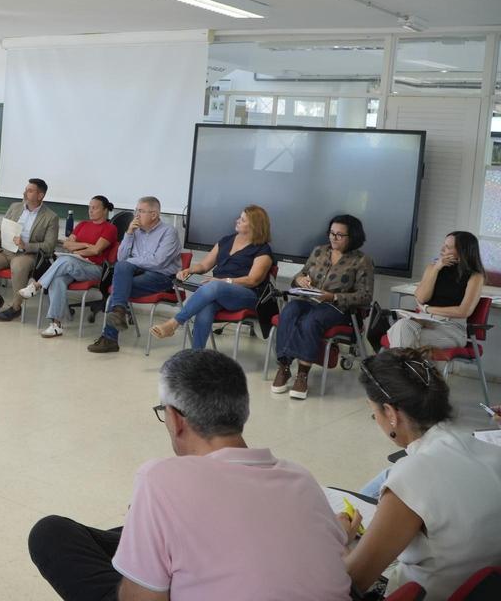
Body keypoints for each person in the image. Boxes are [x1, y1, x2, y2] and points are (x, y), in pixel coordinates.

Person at [28, 349, 350, 601]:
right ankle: (145, 536)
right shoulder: (303, 479)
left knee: (49, 533)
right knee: (138, 529)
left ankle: (146, 540)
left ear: (175, 418)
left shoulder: (160, 479)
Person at [341, 349, 501, 599]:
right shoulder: (491, 453)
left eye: (374, 413)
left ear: (391, 414)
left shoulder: (411, 477)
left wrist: (341, 542)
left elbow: (350, 583)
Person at [272, 215, 375, 400]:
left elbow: (365, 296)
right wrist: (300, 279)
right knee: (289, 311)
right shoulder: (319, 251)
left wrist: (334, 296)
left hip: (338, 308)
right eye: (331, 233)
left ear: (352, 237)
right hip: (309, 299)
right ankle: (284, 367)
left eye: (339, 235)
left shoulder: (361, 260)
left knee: (312, 320)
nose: (333, 238)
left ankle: (302, 374)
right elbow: (300, 274)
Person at [150, 205, 273, 350]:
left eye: (243, 220)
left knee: (214, 286)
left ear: (254, 225)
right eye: (239, 217)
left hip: (246, 295)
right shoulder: (226, 241)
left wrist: (225, 282)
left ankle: (174, 323)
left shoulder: (263, 250)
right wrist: (188, 270)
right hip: (217, 291)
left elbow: (253, 280)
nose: (237, 220)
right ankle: (197, 355)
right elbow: (204, 265)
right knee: (205, 307)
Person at [90, 196, 182, 353]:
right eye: (136, 210)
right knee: (121, 271)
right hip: (138, 273)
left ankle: (110, 337)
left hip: (162, 277)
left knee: (117, 293)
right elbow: (121, 258)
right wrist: (129, 233)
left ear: (154, 214)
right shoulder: (135, 231)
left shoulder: (169, 232)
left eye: (141, 211)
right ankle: (119, 312)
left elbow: (157, 262)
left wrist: (132, 262)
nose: (136, 215)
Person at [18, 195, 118, 339]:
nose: (90, 210)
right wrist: (84, 245)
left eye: (95, 208)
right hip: (73, 265)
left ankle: (37, 285)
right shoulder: (83, 224)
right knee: (57, 279)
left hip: (95, 269)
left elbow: (96, 250)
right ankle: (56, 325)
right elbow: (66, 244)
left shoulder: (110, 228)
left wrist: (77, 251)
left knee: (66, 260)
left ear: (105, 210)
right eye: (89, 207)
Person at [0, 178, 59, 322]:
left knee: (18, 266)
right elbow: (0, 230)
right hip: (6, 250)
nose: (25, 193)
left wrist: (26, 245)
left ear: (40, 196)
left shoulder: (51, 217)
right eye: (26, 189)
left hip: (27, 254)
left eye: (30, 191)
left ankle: (15, 307)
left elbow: (49, 246)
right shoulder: (15, 207)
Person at [384, 231, 484, 351]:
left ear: (462, 252)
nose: (442, 249)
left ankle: (396, 368)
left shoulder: (475, 277)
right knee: (401, 326)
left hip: (451, 328)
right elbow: (421, 298)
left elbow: (463, 311)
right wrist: (436, 268)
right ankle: (410, 369)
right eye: (443, 244)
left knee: (402, 336)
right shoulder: (433, 268)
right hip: (424, 322)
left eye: (448, 247)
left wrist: (427, 309)